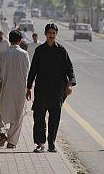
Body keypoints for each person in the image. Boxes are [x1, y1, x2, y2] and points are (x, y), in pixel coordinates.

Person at [26, 23, 76, 153]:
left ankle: (51, 142)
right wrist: (28, 87)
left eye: (54, 33)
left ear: (56, 35)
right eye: (49, 33)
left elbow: (69, 69)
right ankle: (40, 143)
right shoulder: (40, 50)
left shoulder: (61, 50)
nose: (51, 35)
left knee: (54, 118)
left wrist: (70, 84)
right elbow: (33, 70)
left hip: (57, 91)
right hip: (41, 89)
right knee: (39, 117)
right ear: (45, 34)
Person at [0, 30, 30, 148]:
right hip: (20, 90)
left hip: (5, 89)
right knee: (18, 115)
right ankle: (12, 142)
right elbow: (28, 73)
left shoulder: (3, 54)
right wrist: (29, 89)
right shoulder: (24, 54)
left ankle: (2, 132)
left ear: (9, 38)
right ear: (20, 40)